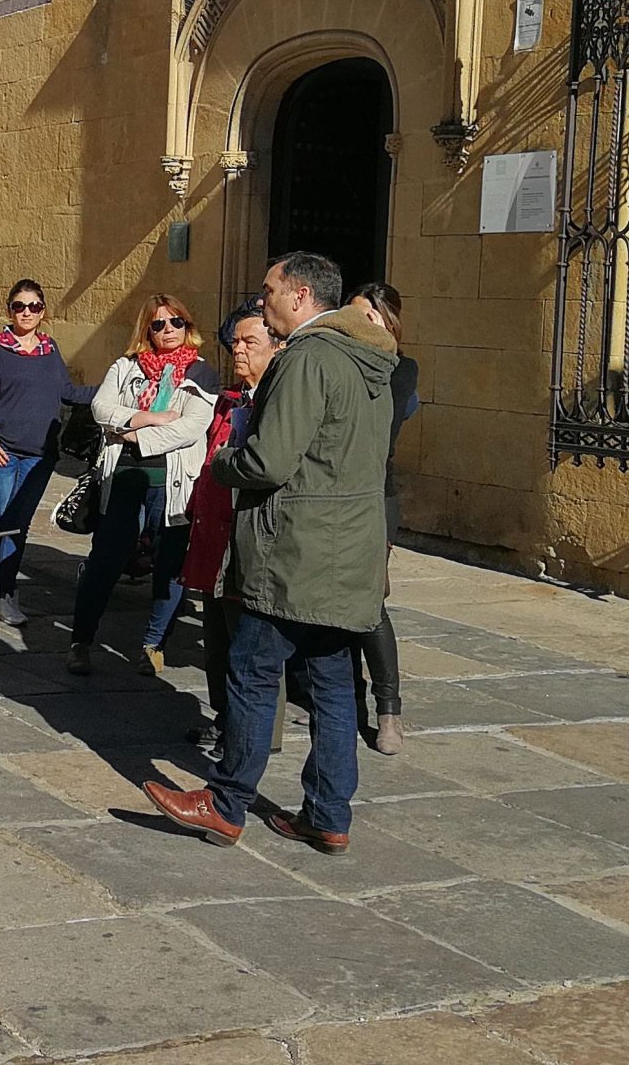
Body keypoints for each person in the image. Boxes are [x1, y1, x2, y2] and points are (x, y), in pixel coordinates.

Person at [145, 252, 398, 857]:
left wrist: (225, 463)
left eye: (269, 292)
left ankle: (226, 803)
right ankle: (328, 814)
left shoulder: (309, 358)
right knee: (334, 687)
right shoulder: (375, 359)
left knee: (254, 676)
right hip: (346, 553)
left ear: (302, 295)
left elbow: (269, 460)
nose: (262, 302)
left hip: (293, 553)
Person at [66, 295, 220, 676]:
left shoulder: (202, 374)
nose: (168, 331)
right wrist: (150, 416)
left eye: (176, 323)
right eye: (158, 324)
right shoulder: (126, 366)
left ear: (188, 326)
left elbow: (191, 427)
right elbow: (102, 409)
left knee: (169, 568)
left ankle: (153, 645)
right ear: (146, 330)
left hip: (172, 482)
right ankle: (81, 641)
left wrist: (134, 434)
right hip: (123, 478)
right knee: (105, 561)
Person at [181, 303, 280, 756]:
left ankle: (248, 736)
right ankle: (223, 719)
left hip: (247, 546)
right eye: (234, 342)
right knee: (217, 646)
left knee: (247, 650)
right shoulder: (230, 400)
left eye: (249, 343)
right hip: (212, 538)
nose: (237, 350)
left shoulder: (275, 406)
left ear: (276, 349)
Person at [0, 279, 94, 626]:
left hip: (40, 453)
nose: (26, 313)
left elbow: (68, 391)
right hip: (1, 447)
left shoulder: (49, 348)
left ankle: (4, 592)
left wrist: (117, 390)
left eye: (34, 307)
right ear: (8, 310)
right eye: (19, 306)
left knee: (20, 525)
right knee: (1, 520)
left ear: (43, 312)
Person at [350, 281, 418, 756]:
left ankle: (389, 710)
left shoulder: (400, 369)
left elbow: (386, 419)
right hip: (334, 493)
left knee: (371, 604)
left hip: (376, 494)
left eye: (363, 318)